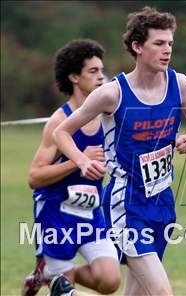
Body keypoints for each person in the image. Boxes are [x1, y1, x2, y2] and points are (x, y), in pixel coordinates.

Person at [53, 7, 186, 296]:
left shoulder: (180, 84)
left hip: (162, 203)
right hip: (126, 206)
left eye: (170, 43)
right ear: (137, 46)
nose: (167, 50)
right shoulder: (112, 93)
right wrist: (82, 160)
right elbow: (60, 131)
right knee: (162, 293)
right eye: (159, 44)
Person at [22, 39, 120, 296]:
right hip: (56, 214)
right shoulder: (59, 121)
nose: (101, 77)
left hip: (90, 213)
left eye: (101, 70)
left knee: (110, 281)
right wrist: (78, 160)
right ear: (75, 77)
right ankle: (51, 276)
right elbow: (34, 177)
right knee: (63, 290)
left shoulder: (106, 116)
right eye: (93, 71)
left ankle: (46, 275)